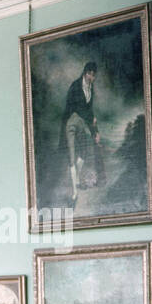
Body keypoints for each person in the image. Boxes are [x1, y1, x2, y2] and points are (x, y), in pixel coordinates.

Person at [60, 59, 102, 204]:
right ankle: (75, 192)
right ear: (85, 73)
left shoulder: (91, 89)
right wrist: (93, 125)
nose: (92, 78)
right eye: (90, 74)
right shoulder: (75, 86)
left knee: (83, 153)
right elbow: (81, 109)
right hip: (71, 123)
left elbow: (90, 111)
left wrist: (95, 132)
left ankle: (77, 178)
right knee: (72, 157)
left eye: (94, 75)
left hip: (82, 123)